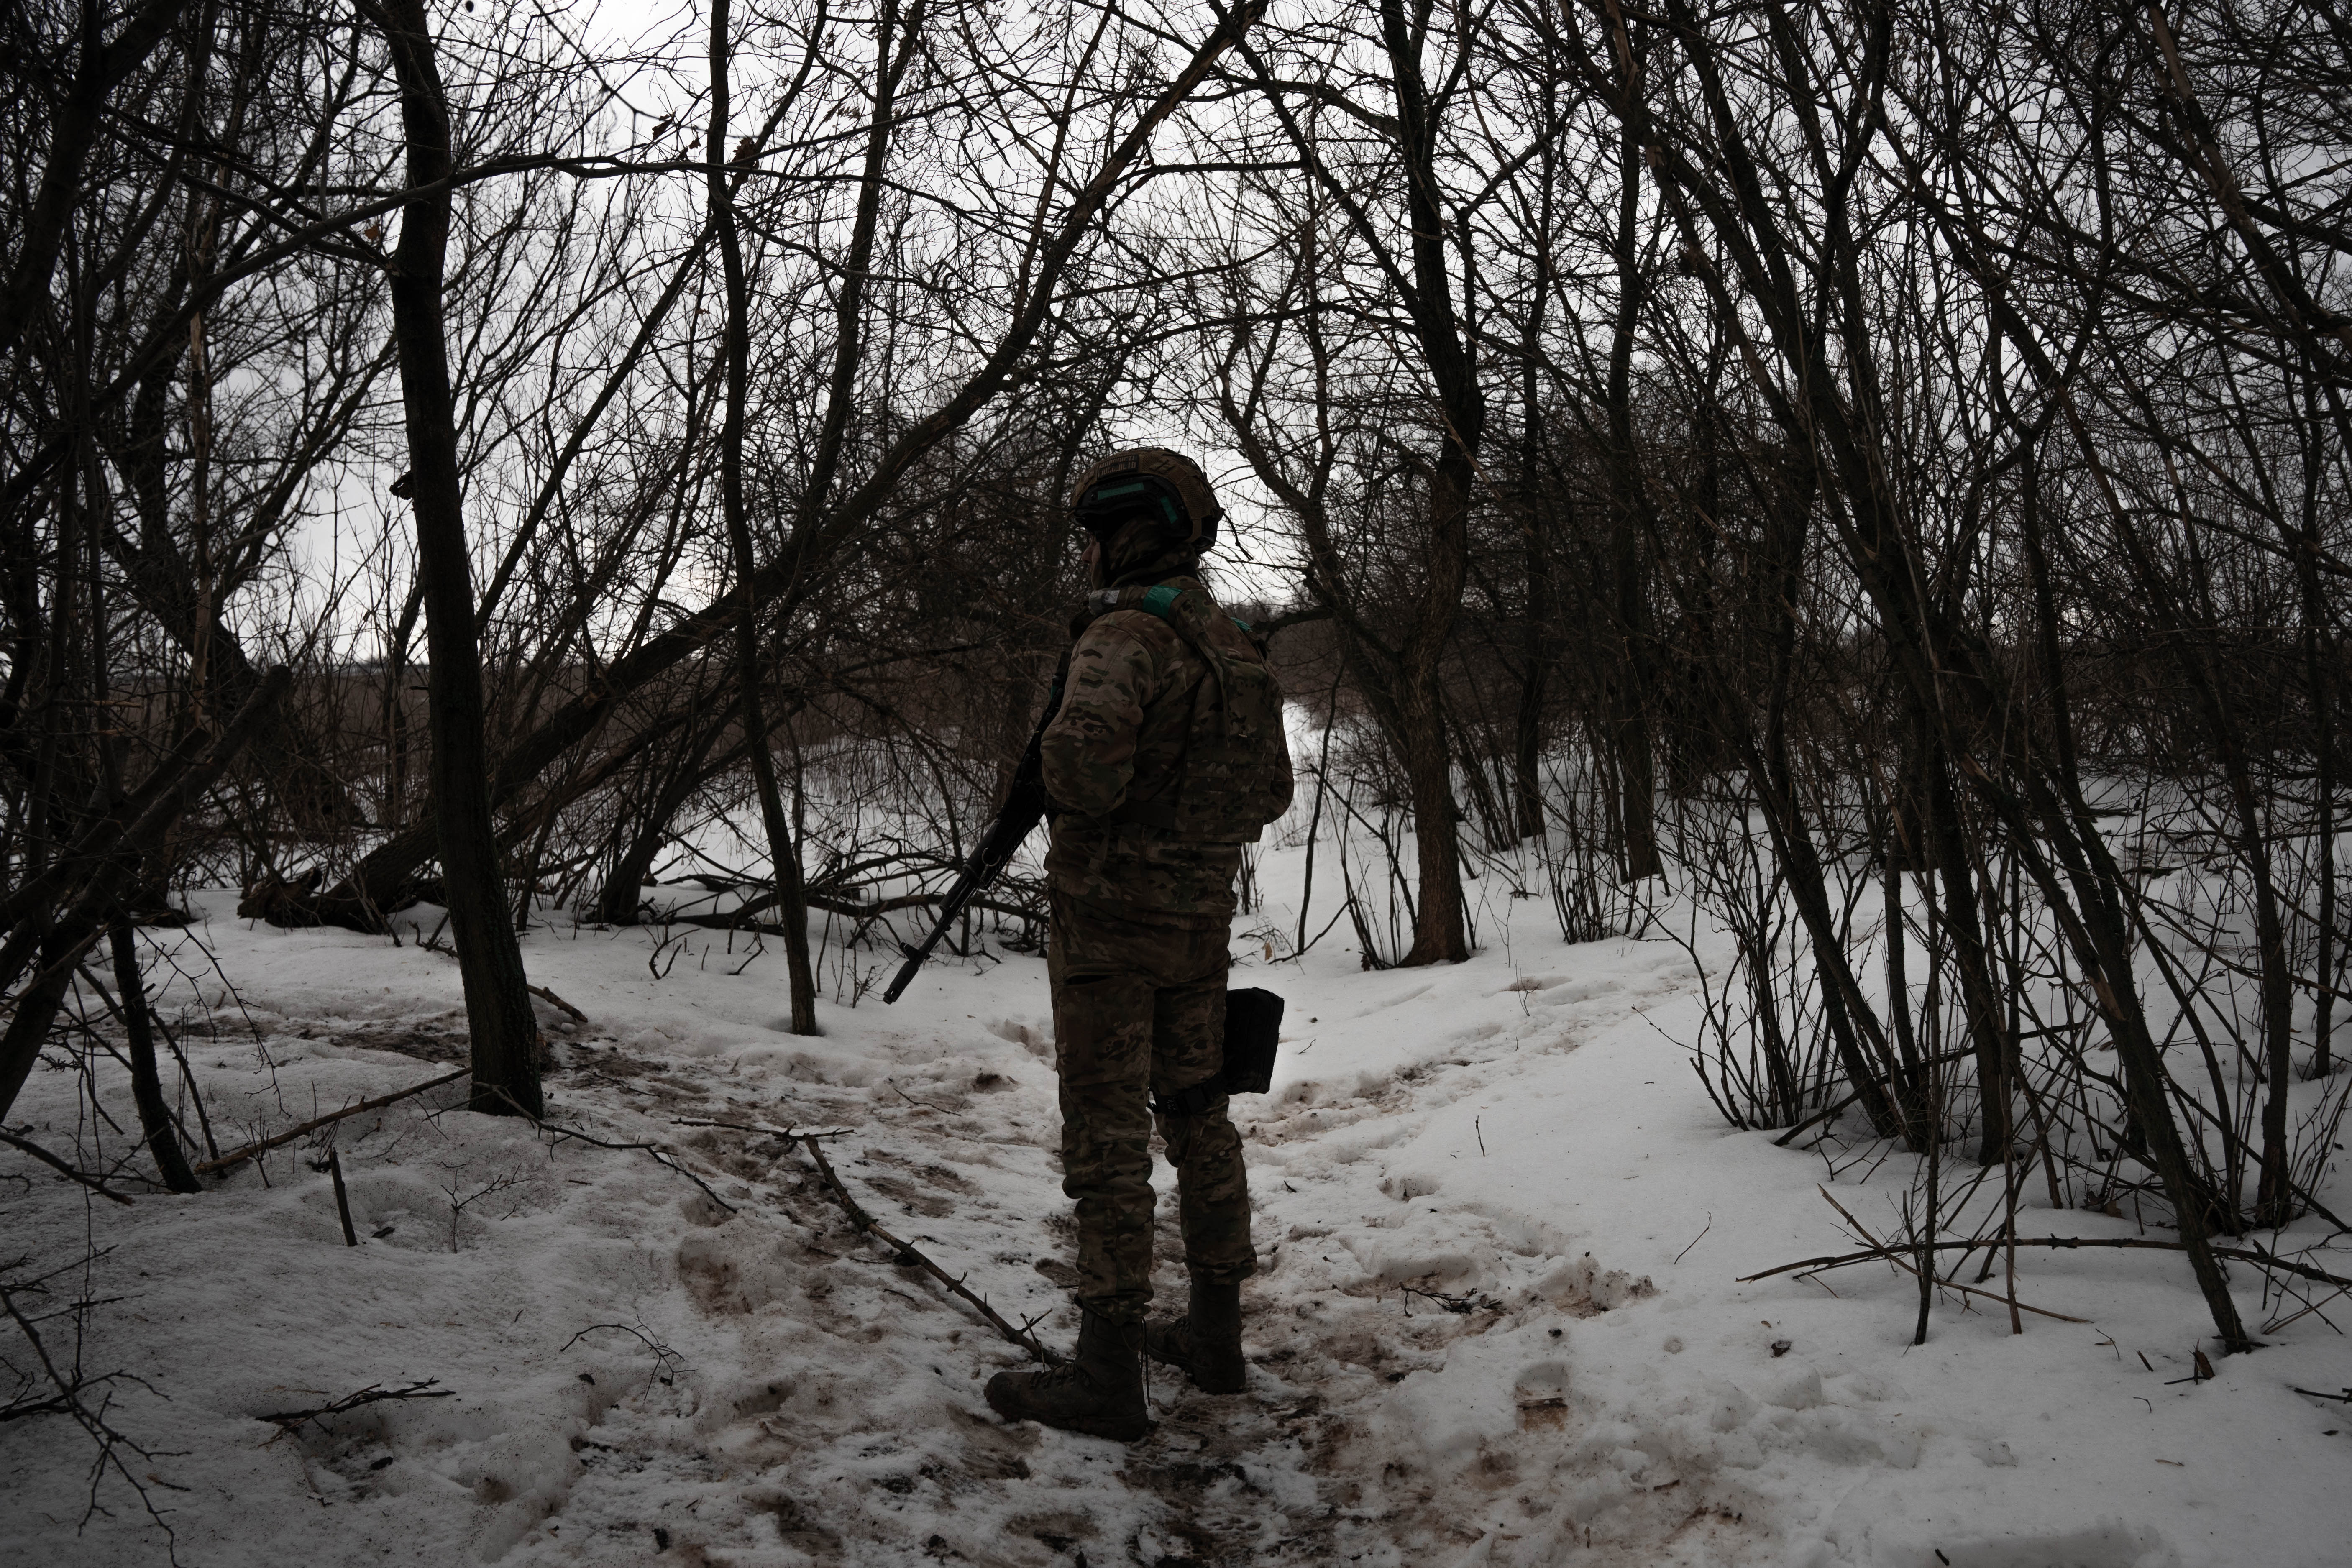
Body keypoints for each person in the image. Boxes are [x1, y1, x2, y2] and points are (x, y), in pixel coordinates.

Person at [983, 448, 1295, 1441]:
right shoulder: (1229, 643)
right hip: (1199, 923)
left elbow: (1077, 772)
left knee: (1109, 1145)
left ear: (1118, 528)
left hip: (1111, 933)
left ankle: (1107, 1376)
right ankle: (1214, 1338)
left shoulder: (1125, 634)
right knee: (1201, 1115)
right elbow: (1272, 795)